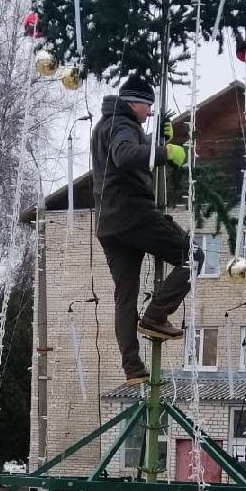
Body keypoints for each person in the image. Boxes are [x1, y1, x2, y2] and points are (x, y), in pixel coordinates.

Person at [91, 74, 202, 385]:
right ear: (134, 103)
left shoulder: (109, 125)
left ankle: (133, 367)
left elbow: (126, 151)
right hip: (133, 215)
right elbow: (125, 155)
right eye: (148, 106)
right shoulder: (122, 124)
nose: (151, 112)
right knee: (193, 257)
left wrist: (154, 141)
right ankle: (155, 315)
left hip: (109, 224)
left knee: (124, 297)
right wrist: (167, 153)